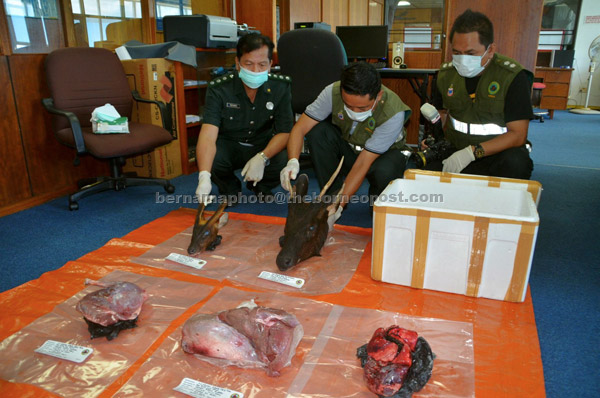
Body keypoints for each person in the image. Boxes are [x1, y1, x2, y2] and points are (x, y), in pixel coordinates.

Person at [280, 62, 412, 223]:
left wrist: (339, 206)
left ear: (378, 96)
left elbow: (364, 162)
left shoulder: (392, 112)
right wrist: (292, 161)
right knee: (319, 133)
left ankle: (372, 204)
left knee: (384, 173)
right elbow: (300, 128)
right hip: (350, 148)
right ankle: (330, 199)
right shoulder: (332, 92)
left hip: (382, 157)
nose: (354, 112)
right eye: (349, 106)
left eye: (362, 108)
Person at [427, 9, 534, 179]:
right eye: (456, 52)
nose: (462, 59)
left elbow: (518, 135)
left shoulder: (511, 76)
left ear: (490, 49)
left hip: (497, 153)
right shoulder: (445, 75)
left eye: (470, 53)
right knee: (424, 170)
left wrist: (471, 153)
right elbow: (441, 114)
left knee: (516, 163)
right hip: (457, 149)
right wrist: (433, 136)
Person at [195, 33, 294, 205]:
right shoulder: (219, 89)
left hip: (263, 143)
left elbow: (285, 131)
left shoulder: (281, 87)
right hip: (229, 144)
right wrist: (204, 175)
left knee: (284, 156)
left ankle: (259, 186)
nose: (255, 71)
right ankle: (230, 188)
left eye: (262, 65)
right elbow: (208, 135)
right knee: (213, 156)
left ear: (270, 65)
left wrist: (262, 157)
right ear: (238, 64)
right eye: (249, 64)